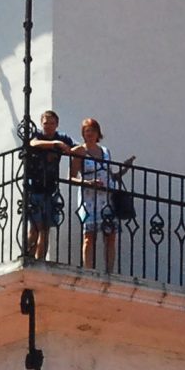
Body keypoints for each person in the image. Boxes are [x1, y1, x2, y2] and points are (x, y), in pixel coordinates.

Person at [75, 117, 135, 273]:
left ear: (97, 133)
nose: (89, 133)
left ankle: (109, 271)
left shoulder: (106, 151)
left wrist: (124, 169)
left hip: (107, 198)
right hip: (89, 199)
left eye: (92, 130)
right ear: (83, 133)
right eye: (86, 131)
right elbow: (71, 177)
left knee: (110, 235)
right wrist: (88, 183)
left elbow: (111, 176)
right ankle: (88, 270)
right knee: (89, 236)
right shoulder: (80, 151)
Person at [22, 110, 78, 260]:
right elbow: (32, 143)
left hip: (51, 189)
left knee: (45, 229)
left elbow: (78, 149)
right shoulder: (38, 135)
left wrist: (73, 152)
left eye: (52, 123)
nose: (49, 126)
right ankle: (27, 256)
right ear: (41, 124)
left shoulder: (62, 137)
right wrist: (55, 144)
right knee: (34, 228)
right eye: (46, 123)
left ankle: (40, 260)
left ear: (57, 124)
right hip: (34, 188)